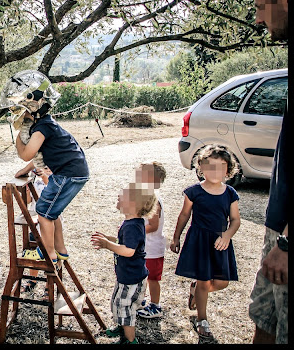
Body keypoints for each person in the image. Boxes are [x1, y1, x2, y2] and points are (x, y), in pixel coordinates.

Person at [0, 70, 89, 265]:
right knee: (51, 210)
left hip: (69, 173)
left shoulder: (42, 128)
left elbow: (26, 154)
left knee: (43, 210)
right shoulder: (47, 124)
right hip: (73, 171)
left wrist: (19, 136)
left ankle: (47, 253)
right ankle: (60, 250)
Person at [249, 0, 288, 345]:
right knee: (265, 319)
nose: (259, 19)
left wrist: (287, 243)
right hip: (277, 232)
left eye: (262, 6)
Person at [170, 145, 241, 343]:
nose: (215, 171)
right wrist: (176, 237)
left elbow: (235, 220)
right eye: (210, 166)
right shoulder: (193, 192)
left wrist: (227, 235)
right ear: (201, 167)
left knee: (221, 282)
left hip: (220, 242)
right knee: (204, 280)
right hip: (199, 241)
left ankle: (196, 290)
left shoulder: (230, 193)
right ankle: (202, 319)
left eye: (221, 167)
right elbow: (184, 215)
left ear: (228, 170)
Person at [91, 182, 158, 344]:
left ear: (134, 204)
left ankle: (130, 340)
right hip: (126, 276)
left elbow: (128, 250)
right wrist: (109, 239)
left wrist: (108, 245)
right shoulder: (132, 222)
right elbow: (123, 242)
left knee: (125, 308)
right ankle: (122, 327)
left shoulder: (133, 226)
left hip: (132, 279)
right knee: (117, 303)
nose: (119, 196)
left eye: (123, 196)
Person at [14, 162, 53, 294]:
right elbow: (29, 200)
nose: (44, 170)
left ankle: (49, 285)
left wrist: (44, 177)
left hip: (51, 221)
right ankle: (33, 279)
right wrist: (25, 192)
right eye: (42, 168)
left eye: (47, 168)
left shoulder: (55, 180)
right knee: (33, 249)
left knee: (50, 253)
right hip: (36, 220)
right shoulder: (35, 179)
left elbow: (54, 192)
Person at [134, 161, 167, 319]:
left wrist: (135, 230)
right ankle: (142, 300)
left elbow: (153, 225)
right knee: (144, 276)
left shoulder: (153, 199)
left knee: (153, 278)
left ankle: (155, 305)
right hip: (145, 246)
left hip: (153, 248)